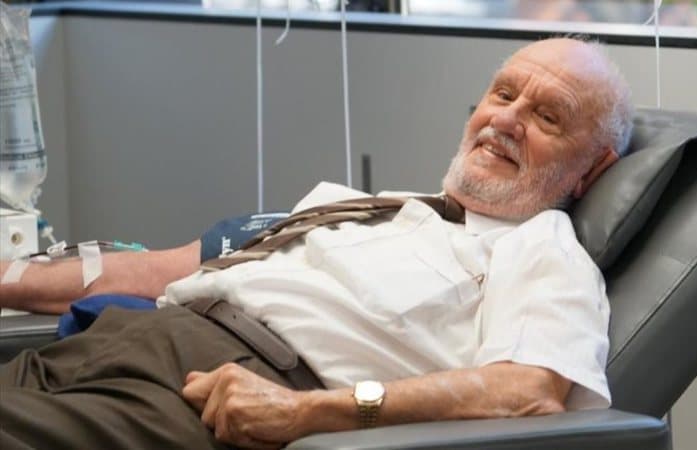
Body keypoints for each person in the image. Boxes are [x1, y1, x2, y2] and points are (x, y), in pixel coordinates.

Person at [0, 37, 633, 449]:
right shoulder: (370, 207)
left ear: (592, 168)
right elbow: (163, 268)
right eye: (503, 94)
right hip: (118, 342)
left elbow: (527, 393)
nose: (505, 120)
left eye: (546, 116)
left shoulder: (540, 247)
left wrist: (309, 413)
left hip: (212, 396)